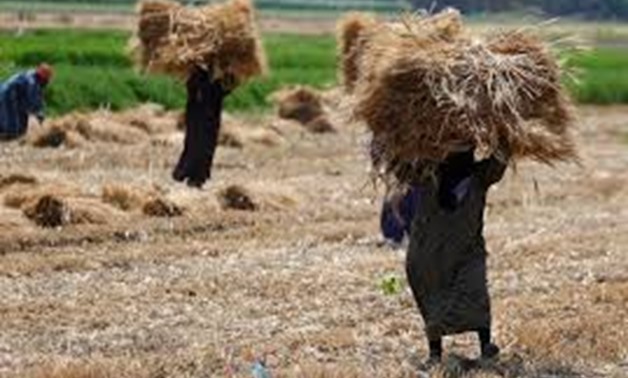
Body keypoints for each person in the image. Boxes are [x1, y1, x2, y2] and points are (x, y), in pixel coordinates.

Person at [405, 148, 509, 364]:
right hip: (429, 252)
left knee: (474, 291)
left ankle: (486, 348)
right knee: (433, 301)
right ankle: (435, 354)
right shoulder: (426, 174)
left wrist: (505, 132)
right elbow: (401, 168)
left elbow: (500, 158)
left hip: (466, 250)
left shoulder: (479, 176)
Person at [172, 66, 233, 188]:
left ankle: (193, 175)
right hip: (202, 115)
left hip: (206, 116)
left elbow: (224, 89)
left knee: (200, 142)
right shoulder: (201, 75)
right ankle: (191, 174)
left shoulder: (213, 77)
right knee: (199, 142)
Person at [0, 63, 53, 141]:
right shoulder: (32, 82)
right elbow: (32, 102)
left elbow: (38, 98)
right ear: (42, 78)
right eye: (46, 80)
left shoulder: (33, 77)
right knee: (13, 124)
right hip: (8, 95)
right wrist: (40, 117)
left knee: (20, 121)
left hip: (9, 93)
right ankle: (8, 134)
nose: (47, 82)